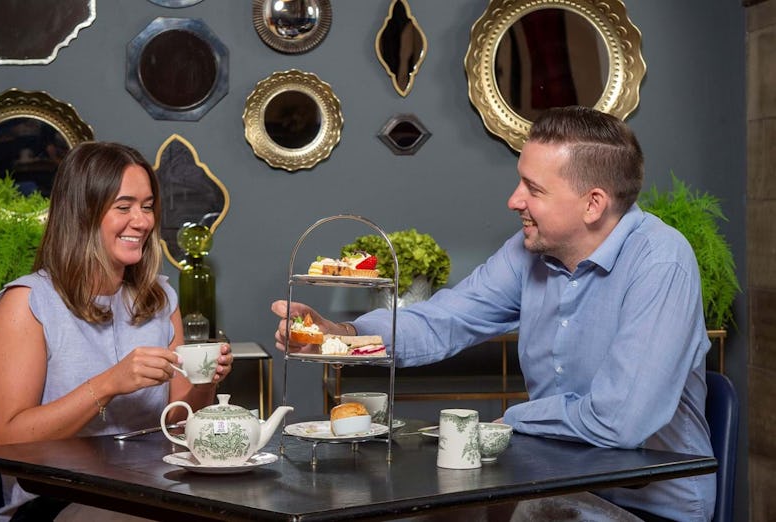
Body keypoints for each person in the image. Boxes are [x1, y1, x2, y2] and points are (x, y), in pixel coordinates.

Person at [273, 106, 714, 522]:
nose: (514, 200)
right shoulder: (528, 253)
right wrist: (342, 335)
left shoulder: (661, 262)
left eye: (534, 189)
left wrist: (518, 417)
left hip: (650, 506)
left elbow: (622, 420)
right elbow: (444, 319)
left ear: (593, 203)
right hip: (554, 484)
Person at [0, 141, 233, 521]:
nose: (143, 221)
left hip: (151, 490)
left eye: (147, 206)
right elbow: (10, 441)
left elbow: (181, 422)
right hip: (54, 500)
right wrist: (110, 383)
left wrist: (205, 380)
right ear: (83, 213)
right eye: (124, 207)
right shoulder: (27, 303)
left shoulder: (160, 298)